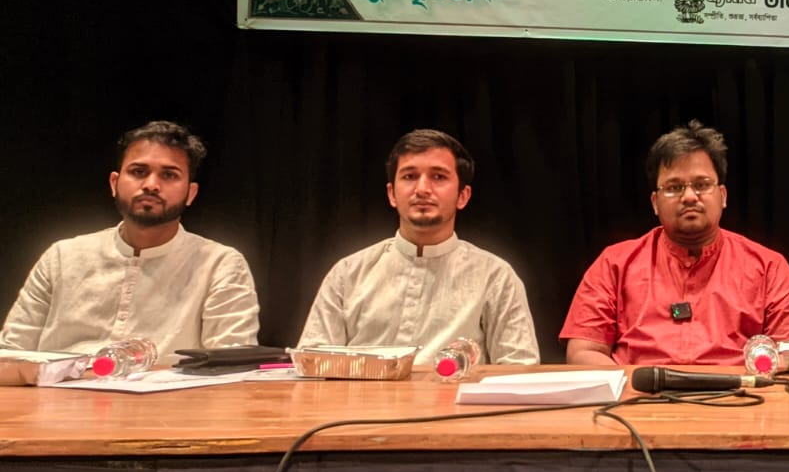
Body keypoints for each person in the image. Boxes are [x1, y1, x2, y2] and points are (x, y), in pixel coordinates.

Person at [560, 121, 789, 365]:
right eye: (674, 187)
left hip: (741, 393)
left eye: (702, 185)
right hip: (638, 394)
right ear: (655, 203)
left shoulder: (768, 268)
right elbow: (583, 352)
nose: (690, 197)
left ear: (723, 196)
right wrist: (633, 387)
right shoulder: (615, 264)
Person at [0, 121, 259, 361]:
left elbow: (230, 365)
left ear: (190, 193)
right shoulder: (62, 257)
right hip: (56, 394)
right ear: (114, 183)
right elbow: (9, 355)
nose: (151, 185)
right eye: (138, 171)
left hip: (171, 397)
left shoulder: (219, 265)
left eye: (169, 175)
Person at [297, 130, 540, 364]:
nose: (422, 189)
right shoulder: (348, 274)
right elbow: (311, 364)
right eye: (410, 176)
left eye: (439, 177)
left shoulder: (495, 277)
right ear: (392, 194)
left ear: (463, 196)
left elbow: (518, 370)